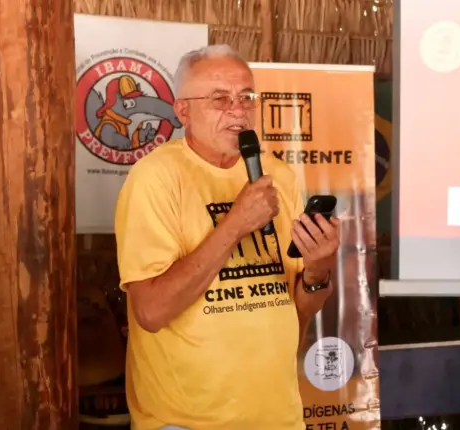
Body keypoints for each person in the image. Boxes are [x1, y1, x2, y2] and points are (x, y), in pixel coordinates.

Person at [114, 44, 340, 430]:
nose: (238, 110)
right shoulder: (155, 178)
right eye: (220, 98)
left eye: (246, 97)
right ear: (183, 110)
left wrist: (318, 268)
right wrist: (235, 224)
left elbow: (301, 309)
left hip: (277, 418)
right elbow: (150, 313)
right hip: (185, 422)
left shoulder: (277, 176)